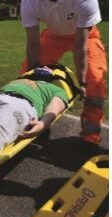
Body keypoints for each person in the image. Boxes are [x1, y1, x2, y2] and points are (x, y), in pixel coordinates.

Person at [19, 0, 107, 151]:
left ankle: (90, 137)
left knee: (94, 80)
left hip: (87, 36)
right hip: (53, 36)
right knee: (26, 78)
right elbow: (33, 43)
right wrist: (33, 74)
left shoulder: (85, 1)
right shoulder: (29, 2)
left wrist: (82, 81)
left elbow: (81, 46)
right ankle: (37, 123)